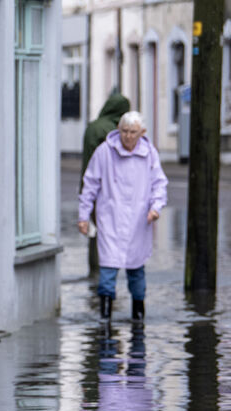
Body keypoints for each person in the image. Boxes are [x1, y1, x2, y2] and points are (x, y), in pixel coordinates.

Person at [78, 110, 167, 322]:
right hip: (111, 218)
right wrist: (83, 216)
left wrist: (156, 208)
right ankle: (105, 317)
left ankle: (138, 315)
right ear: (118, 130)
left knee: (136, 270)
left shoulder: (149, 154)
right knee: (108, 269)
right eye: (124, 131)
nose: (128, 136)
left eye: (133, 132)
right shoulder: (104, 152)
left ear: (142, 132)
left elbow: (159, 184)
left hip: (138, 220)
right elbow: (89, 185)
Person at [80, 91, 131, 277]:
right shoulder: (110, 131)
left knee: (95, 230)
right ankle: (104, 271)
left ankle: (94, 270)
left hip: (89, 185)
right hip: (106, 189)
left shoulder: (93, 126)